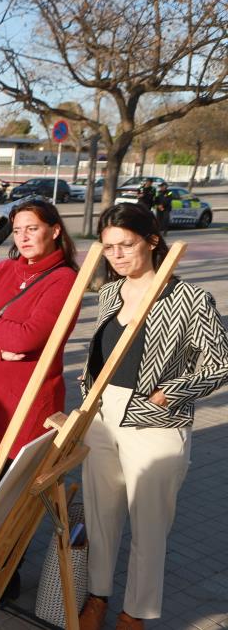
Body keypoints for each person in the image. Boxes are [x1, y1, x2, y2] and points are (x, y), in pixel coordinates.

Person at [77, 204, 228, 630]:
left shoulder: (190, 298)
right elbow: (100, 354)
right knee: (101, 516)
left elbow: (219, 363)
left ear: (152, 240)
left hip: (156, 421)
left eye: (126, 244)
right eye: (109, 248)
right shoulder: (109, 292)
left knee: (149, 526)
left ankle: (135, 613)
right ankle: (98, 597)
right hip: (103, 416)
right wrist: (88, 394)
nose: (118, 255)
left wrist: (171, 394)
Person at [0, 198, 79, 458]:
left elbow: (25, 339)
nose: (23, 237)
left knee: (17, 492)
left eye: (32, 229)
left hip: (25, 404)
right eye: (17, 230)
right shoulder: (3, 269)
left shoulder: (65, 279)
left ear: (55, 231)